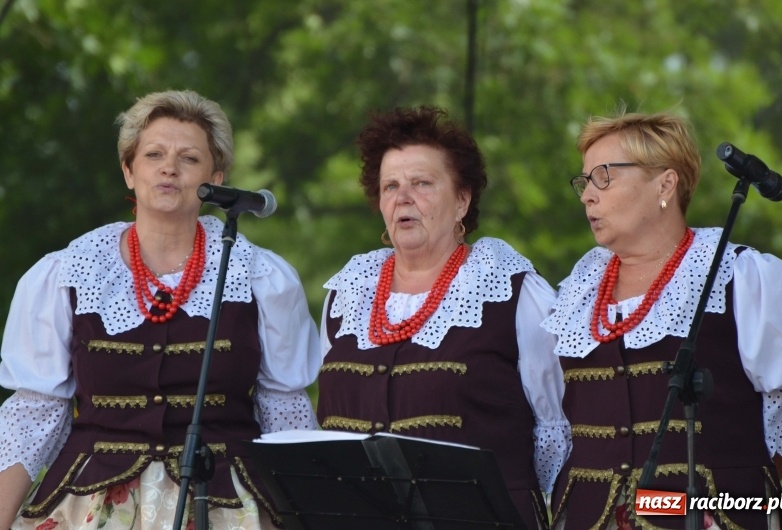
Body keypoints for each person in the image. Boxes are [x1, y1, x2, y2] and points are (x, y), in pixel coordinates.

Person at [0, 90, 321, 530]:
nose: (169, 167)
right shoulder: (69, 273)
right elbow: (34, 413)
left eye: (189, 158)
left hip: (224, 503)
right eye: (153, 154)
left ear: (217, 178)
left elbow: (285, 413)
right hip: (92, 508)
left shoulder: (260, 277)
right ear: (129, 172)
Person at [315, 105, 570, 529]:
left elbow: (557, 429)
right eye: (390, 186)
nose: (403, 197)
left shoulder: (512, 291)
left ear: (462, 201)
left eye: (422, 183)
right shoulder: (347, 294)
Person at [543, 109, 782, 529]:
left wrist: (733, 503)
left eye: (604, 176)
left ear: (665, 183)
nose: (589, 194)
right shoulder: (577, 290)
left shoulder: (737, 276)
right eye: (585, 181)